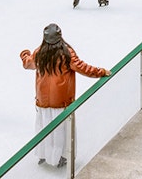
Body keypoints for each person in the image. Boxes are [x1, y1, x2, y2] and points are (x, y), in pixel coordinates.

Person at [19, 24, 110, 168]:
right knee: (60, 130)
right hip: (61, 100)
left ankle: (44, 155)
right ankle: (59, 157)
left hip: (42, 99)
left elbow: (28, 64)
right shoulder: (66, 52)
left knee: (44, 127)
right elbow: (82, 67)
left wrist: (24, 53)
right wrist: (101, 71)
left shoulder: (40, 52)